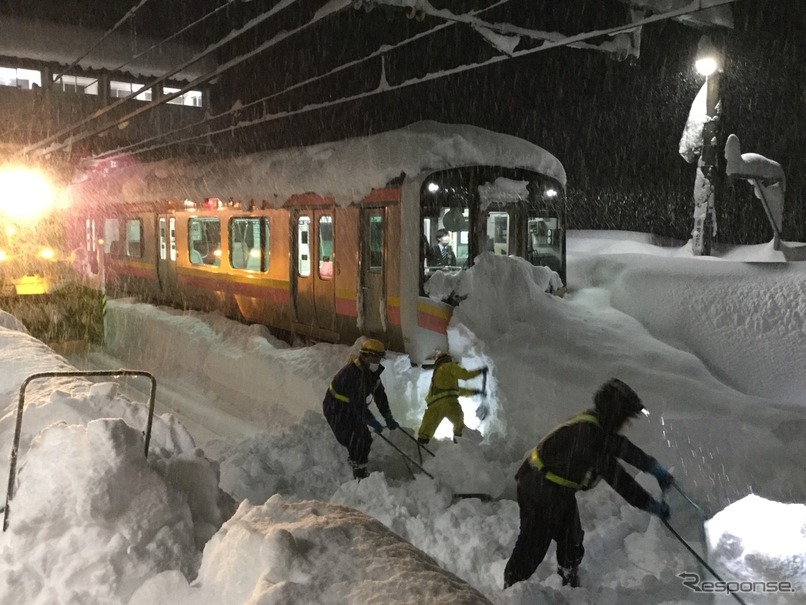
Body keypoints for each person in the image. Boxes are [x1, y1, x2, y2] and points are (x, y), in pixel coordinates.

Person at [503, 378, 674, 589]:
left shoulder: (598, 426)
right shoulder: (589, 435)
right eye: (625, 419)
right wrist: (649, 505)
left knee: (571, 539)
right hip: (538, 488)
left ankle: (567, 581)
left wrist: (653, 467)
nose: (626, 426)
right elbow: (619, 479)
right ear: (615, 415)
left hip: (556, 488)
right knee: (533, 545)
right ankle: (511, 590)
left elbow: (623, 448)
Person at [322, 339, 400, 479]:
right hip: (336, 408)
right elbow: (357, 404)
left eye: (379, 357)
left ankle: (357, 461)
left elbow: (380, 396)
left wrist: (387, 416)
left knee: (365, 438)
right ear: (365, 355)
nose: (377, 360)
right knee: (355, 438)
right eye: (374, 356)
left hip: (352, 407)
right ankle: (358, 470)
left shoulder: (372, 374)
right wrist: (371, 420)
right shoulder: (352, 374)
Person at [416, 352, 487, 444]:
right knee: (459, 424)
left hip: (435, 406)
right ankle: (459, 444)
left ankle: (421, 446)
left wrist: (475, 392)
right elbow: (465, 375)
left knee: (426, 429)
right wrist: (480, 371)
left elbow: (455, 391)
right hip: (450, 404)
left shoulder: (438, 374)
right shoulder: (449, 366)